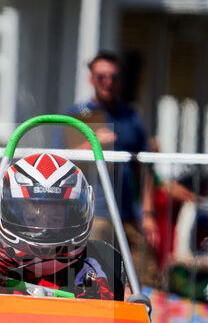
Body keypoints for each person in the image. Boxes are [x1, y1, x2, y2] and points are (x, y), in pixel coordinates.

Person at [0, 152, 124, 300]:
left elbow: (110, 311)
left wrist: (89, 297)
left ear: (70, 218)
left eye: (54, 220)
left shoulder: (92, 265)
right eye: (33, 220)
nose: (44, 229)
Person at [60, 50, 160, 285]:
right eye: (101, 76)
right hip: (94, 215)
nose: (108, 82)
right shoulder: (78, 115)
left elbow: (143, 169)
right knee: (96, 282)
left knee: (145, 281)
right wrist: (92, 143)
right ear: (91, 79)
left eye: (113, 77)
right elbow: (62, 164)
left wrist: (148, 214)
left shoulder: (130, 117)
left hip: (128, 214)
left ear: (120, 80)